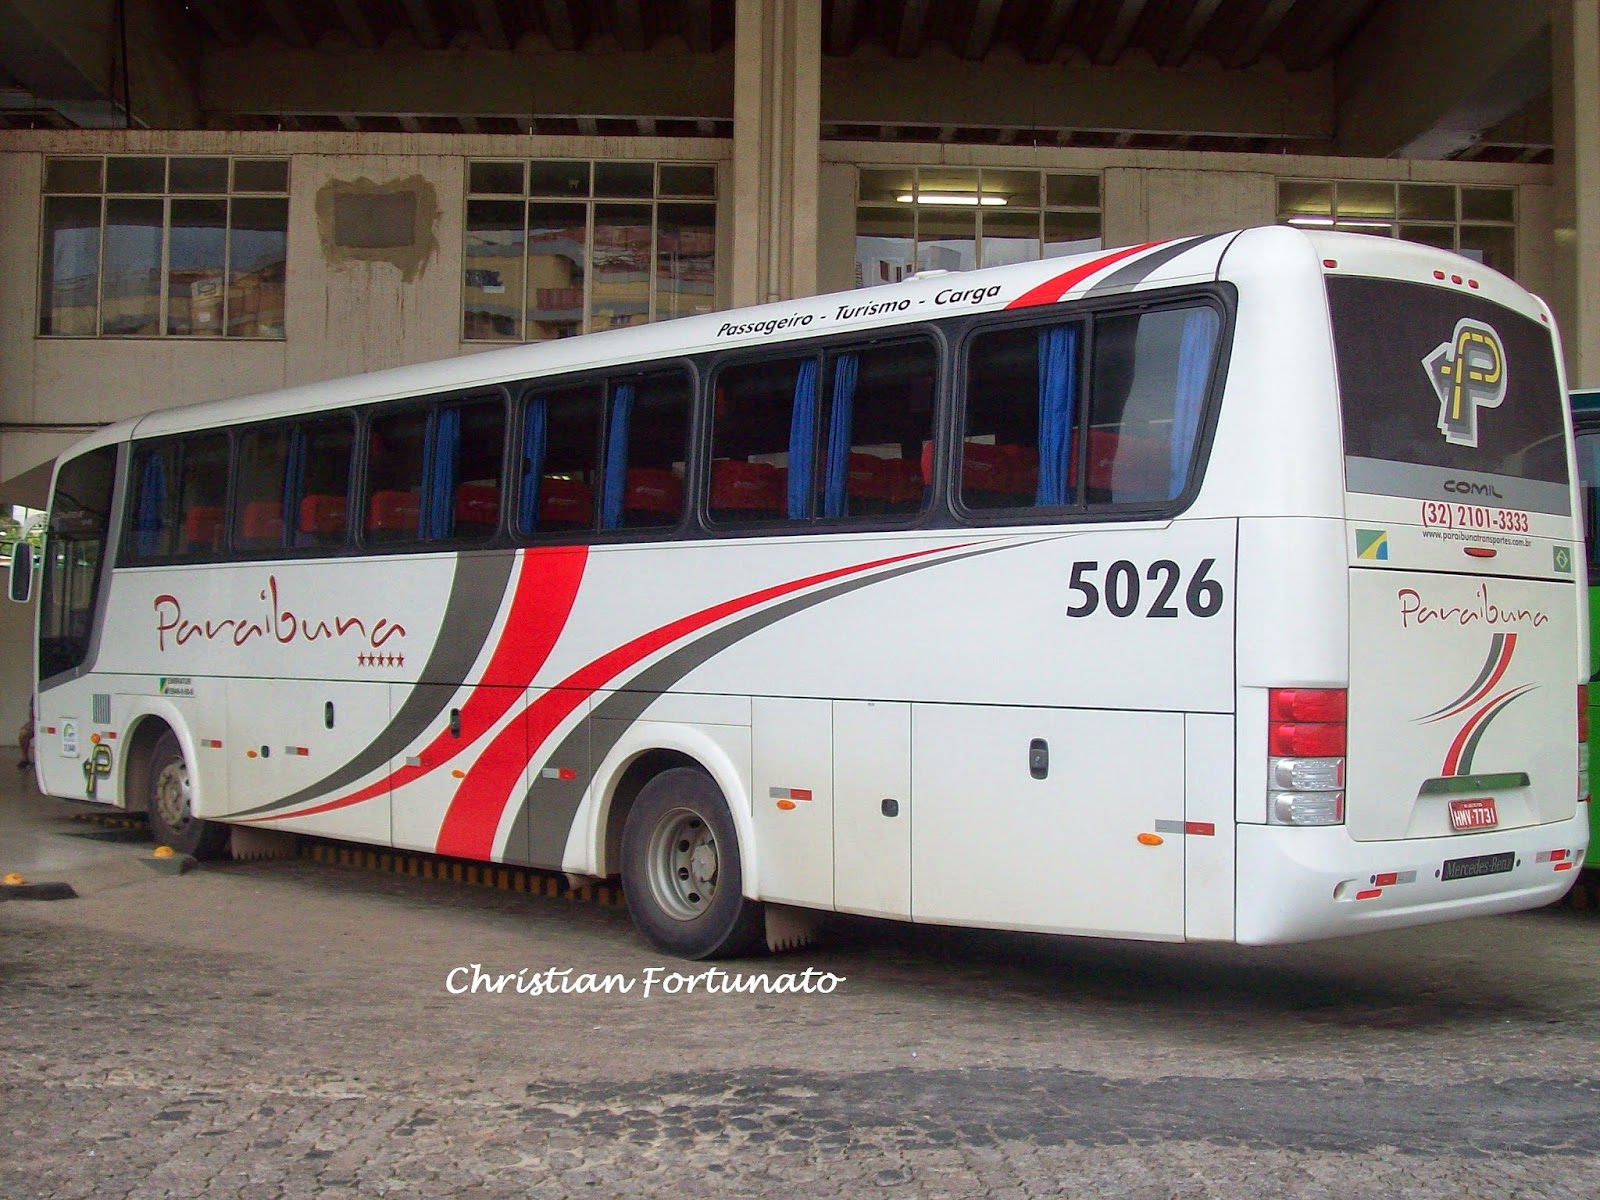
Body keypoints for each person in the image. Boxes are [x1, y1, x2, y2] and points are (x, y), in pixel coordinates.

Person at [17, 696, 33, 769]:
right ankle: (25, 760)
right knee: (23, 733)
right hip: (38, 721)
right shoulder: (36, 692)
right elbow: (31, 712)